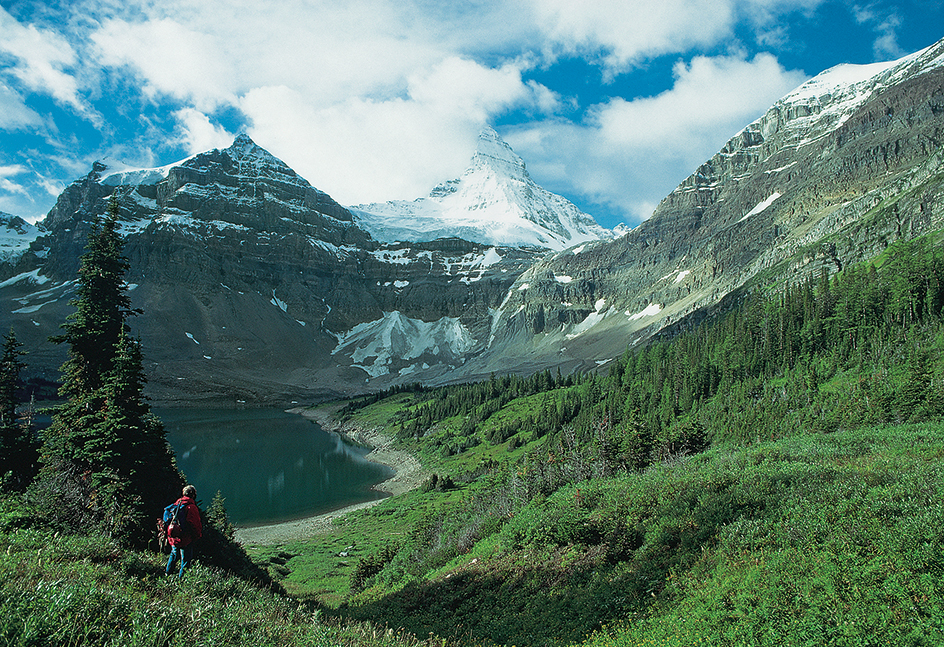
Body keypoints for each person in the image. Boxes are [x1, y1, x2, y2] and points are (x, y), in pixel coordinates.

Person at [165, 484, 203, 578]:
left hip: (173, 536)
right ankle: (182, 581)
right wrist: (197, 536)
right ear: (193, 495)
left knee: (174, 555)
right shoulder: (191, 507)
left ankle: (167, 574)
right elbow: (194, 524)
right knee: (185, 560)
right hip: (185, 538)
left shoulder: (177, 504)